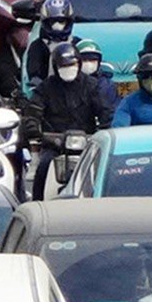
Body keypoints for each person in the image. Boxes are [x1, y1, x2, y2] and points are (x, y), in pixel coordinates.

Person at [27, 43, 111, 197]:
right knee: (43, 166)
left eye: (72, 64)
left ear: (79, 63)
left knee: (104, 169)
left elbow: (105, 110)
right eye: (63, 65)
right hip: (55, 144)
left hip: (88, 142)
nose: (68, 68)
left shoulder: (91, 86)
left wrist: (105, 128)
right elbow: (33, 110)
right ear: (55, 66)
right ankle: (37, 200)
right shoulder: (46, 87)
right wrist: (33, 128)